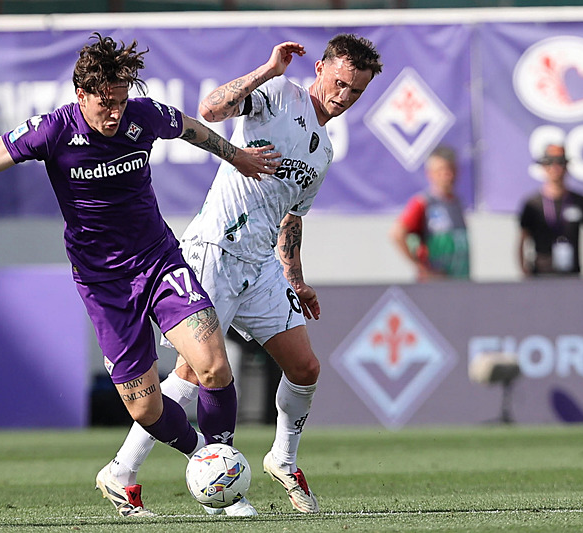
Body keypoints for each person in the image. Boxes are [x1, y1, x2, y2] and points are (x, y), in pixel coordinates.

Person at [0, 33, 279, 518]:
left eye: (121, 101)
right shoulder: (53, 130)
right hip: (104, 284)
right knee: (145, 409)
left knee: (213, 366)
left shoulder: (143, 115)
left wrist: (237, 156)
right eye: (105, 104)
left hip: (159, 261)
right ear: (81, 95)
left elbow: (190, 128)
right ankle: (206, 456)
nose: (115, 113)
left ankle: (225, 485)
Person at [103, 35, 382, 517]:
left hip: (262, 266)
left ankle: (283, 458)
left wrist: (295, 278)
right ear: (320, 69)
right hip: (216, 251)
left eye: (355, 92)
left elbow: (290, 218)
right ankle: (129, 473)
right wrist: (268, 69)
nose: (342, 97)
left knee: (305, 368)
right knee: (196, 372)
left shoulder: (325, 149)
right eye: (339, 83)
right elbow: (210, 110)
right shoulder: (280, 95)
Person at [518, 144, 583, 278]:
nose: (556, 168)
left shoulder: (579, 201)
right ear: (544, 167)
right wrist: (524, 271)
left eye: (560, 163)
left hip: (572, 277)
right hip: (540, 277)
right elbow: (521, 240)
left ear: (566, 167)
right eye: (550, 163)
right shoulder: (533, 204)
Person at [390, 146, 470, 281]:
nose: (447, 175)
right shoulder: (423, 203)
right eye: (441, 171)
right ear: (430, 173)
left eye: (450, 169)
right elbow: (396, 234)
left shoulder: (457, 204)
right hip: (434, 286)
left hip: (460, 283)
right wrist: (424, 270)